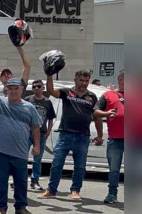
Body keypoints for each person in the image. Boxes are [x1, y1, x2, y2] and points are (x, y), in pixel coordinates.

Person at [0, 74, 41, 214]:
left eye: (16, 88)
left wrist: (36, 146)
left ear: (22, 90)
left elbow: (35, 128)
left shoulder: (29, 107)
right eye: (10, 88)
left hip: (20, 151)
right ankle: (1, 207)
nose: (13, 91)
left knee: (20, 181)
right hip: (0, 150)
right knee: (1, 180)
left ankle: (21, 207)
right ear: (6, 89)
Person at [39, 70, 98, 200]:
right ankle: (51, 190)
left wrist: (99, 134)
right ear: (75, 79)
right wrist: (49, 75)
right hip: (65, 135)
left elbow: (96, 115)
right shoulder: (66, 92)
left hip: (83, 136)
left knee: (80, 167)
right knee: (57, 164)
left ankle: (75, 191)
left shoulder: (92, 97)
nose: (84, 83)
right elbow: (50, 91)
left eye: (87, 81)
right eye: (81, 80)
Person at [94, 70, 124, 204]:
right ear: (120, 79)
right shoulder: (108, 95)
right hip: (115, 138)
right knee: (114, 169)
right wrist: (106, 113)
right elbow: (96, 112)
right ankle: (112, 194)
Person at [24, 79, 56, 190]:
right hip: (27, 133)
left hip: (41, 133)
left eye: (38, 86)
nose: (36, 88)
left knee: (37, 159)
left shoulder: (47, 102)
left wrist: (48, 131)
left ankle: (35, 181)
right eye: (34, 87)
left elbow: (51, 118)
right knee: (22, 157)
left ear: (43, 88)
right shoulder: (27, 100)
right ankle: (19, 179)